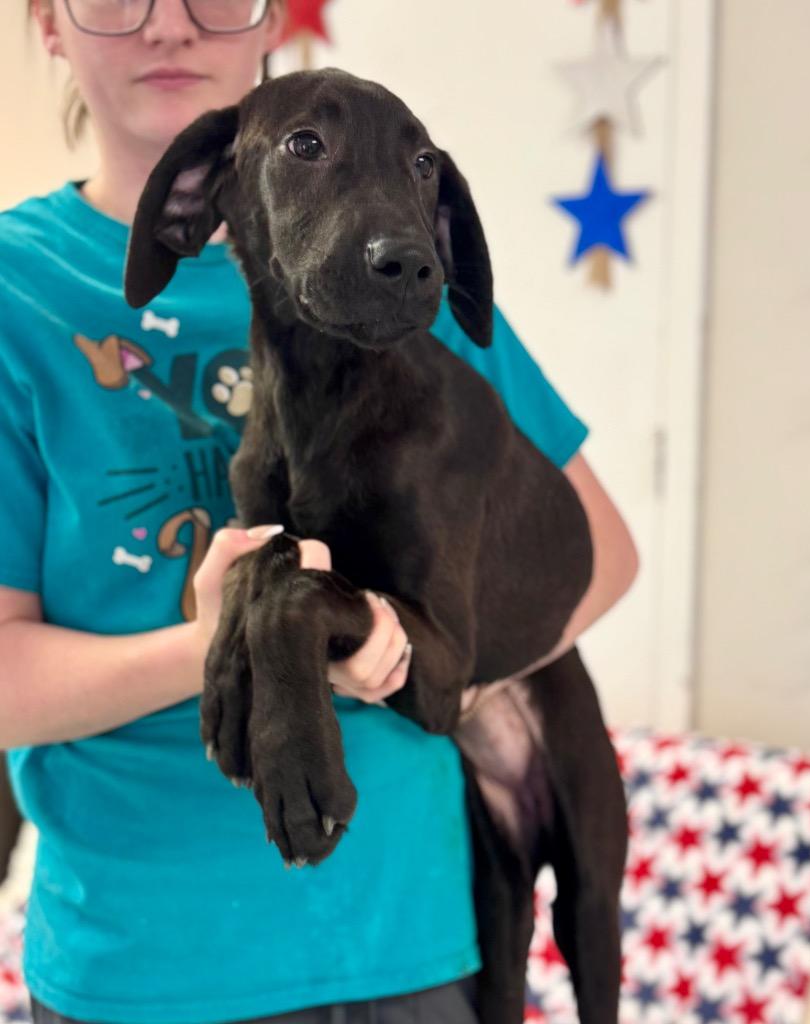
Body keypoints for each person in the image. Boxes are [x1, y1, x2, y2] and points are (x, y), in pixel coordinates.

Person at [0, 1, 639, 1022]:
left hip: (419, 948)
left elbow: (600, 554)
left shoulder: (397, 277)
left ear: (270, 23)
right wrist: (220, 644)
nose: (170, 26)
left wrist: (426, 666)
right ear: (46, 24)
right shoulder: (15, 288)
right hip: (140, 967)